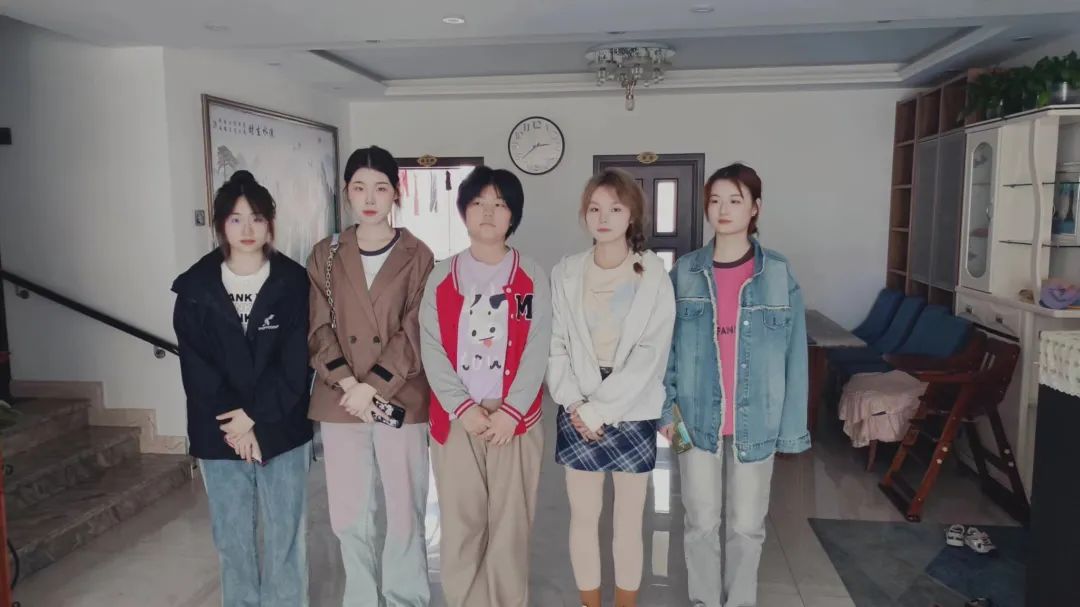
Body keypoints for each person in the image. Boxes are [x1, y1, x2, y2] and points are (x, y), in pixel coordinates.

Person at [661, 162, 809, 607]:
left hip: (758, 420)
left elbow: (795, 356)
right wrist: (667, 414)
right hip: (691, 419)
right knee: (699, 522)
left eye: (735, 200)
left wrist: (790, 430)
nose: (723, 209)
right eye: (715, 200)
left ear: (755, 208)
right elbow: (664, 349)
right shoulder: (685, 272)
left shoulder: (778, 273)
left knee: (747, 525)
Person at [172, 170, 313, 607]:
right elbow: (197, 366)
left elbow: (295, 361)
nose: (247, 229)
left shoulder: (293, 283)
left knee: (286, 536)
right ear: (220, 226)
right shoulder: (195, 288)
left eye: (256, 218)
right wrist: (238, 423)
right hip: (221, 431)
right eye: (236, 219)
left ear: (270, 224)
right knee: (232, 540)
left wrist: (253, 416)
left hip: (282, 427)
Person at [307, 146, 435, 606]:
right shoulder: (326, 254)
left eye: (380, 188)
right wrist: (350, 385)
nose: (369, 198)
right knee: (349, 512)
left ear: (396, 193)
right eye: (359, 187)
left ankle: (406, 598)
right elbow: (318, 327)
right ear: (346, 192)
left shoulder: (418, 254)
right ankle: (360, 598)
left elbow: (416, 328)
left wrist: (372, 386)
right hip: (340, 398)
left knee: (405, 507)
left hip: (401, 396)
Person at [419, 166, 551, 607]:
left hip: (515, 422)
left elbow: (538, 345)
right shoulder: (442, 276)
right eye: (478, 203)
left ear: (514, 215)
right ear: (463, 211)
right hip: (458, 420)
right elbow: (431, 347)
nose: (488, 212)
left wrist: (511, 412)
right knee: (462, 523)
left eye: (499, 204)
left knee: (511, 525)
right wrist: (462, 408)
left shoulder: (530, 276)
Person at [547, 169, 675, 607]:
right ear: (584, 215)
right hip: (577, 404)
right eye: (595, 209)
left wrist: (600, 410)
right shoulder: (566, 272)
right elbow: (556, 345)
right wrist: (576, 404)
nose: (603, 218)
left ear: (631, 215)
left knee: (628, 521)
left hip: (632, 407)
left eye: (615, 209)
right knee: (583, 518)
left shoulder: (653, 273)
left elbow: (651, 352)